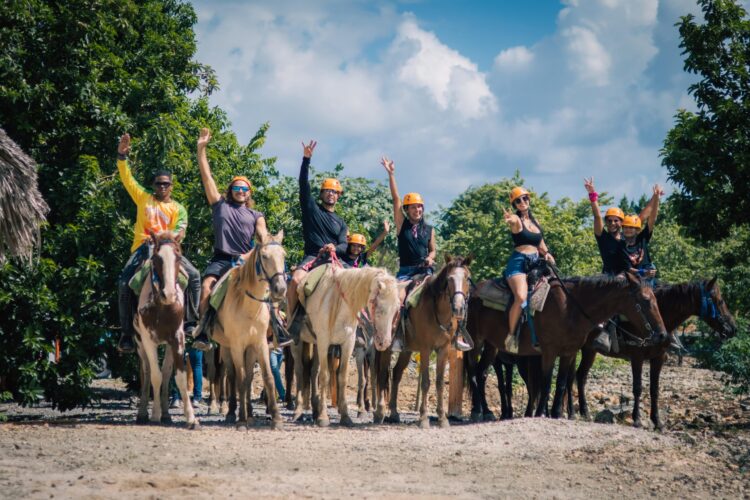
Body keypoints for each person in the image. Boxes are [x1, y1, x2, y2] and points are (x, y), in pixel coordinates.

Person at [190, 128, 290, 349]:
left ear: (249, 193)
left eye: (245, 188)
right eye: (236, 187)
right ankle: (203, 332)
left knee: (270, 289)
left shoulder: (256, 215)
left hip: (246, 262)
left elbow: (262, 234)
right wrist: (201, 150)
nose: (241, 190)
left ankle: (278, 331)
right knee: (207, 287)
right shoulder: (219, 205)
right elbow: (207, 177)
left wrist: (261, 246)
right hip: (221, 259)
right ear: (230, 189)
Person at [115, 133, 201, 353]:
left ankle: (191, 322)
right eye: (158, 184)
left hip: (167, 250)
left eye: (166, 184)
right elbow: (127, 179)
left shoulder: (179, 208)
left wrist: (167, 239)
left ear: (171, 186)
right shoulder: (144, 198)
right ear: (154, 186)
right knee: (124, 283)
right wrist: (122, 155)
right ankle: (126, 334)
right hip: (143, 248)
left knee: (195, 276)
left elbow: (180, 229)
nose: (162, 187)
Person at [381, 156, 471, 352]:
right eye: (413, 207)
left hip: (426, 273)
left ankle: (457, 334)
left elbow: (433, 249)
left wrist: (431, 257)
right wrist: (391, 175)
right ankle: (397, 336)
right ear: (407, 209)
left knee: (453, 294)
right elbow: (395, 199)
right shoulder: (401, 225)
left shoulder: (429, 229)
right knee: (399, 300)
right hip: (406, 273)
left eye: (420, 206)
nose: (417, 210)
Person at [285, 140, 349, 339]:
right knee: (295, 280)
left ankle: (360, 326)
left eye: (335, 192)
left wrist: (335, 247)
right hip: (313, 258)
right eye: (328, 191)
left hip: (335, 261)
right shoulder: (312, 210)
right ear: (321, 194)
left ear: (338, 197)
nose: (331, 194)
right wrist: (306, 159)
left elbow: (345, 245)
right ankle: (291, 322)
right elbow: (303, 185)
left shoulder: (340, 222)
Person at [502, 186, 555, 353]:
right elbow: (512, 222)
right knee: (521, 297)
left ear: (529, 199)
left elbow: (540, 243)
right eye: (518, 200)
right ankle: (511, 337)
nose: (522, 202)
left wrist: (547, 254)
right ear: (514, 204)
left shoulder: (535, 221)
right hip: (518, 263)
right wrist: (509, 219)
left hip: (536, 263)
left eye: (525, 198)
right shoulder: (516, 220)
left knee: (556, 290)